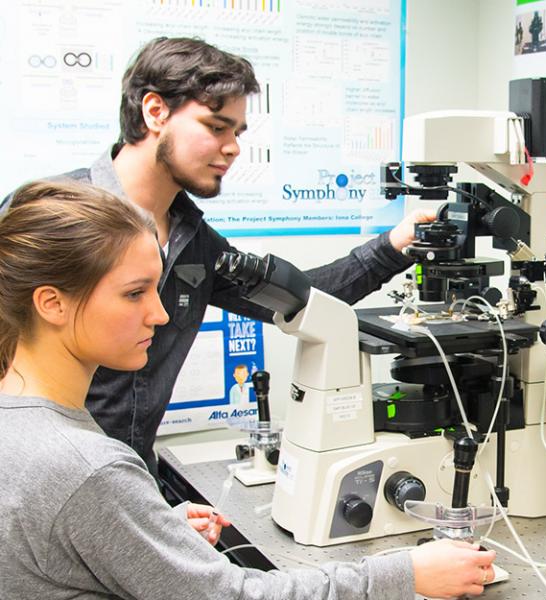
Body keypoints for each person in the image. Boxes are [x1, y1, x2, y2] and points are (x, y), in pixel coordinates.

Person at [0, 180, 495, 600]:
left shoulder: (26, 424)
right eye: (134, 293)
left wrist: (147, 532)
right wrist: (407, 573)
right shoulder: (87, 468)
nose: (161, 313)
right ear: (52, 303)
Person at [1, 37, 434, 477]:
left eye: (237, 132)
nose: (233, 148)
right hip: (42, 479)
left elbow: (298, 298)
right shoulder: (44, 216)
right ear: (155, 112)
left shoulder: (194, 240)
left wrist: (393, 245)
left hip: (131, 480)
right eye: (215, 126)